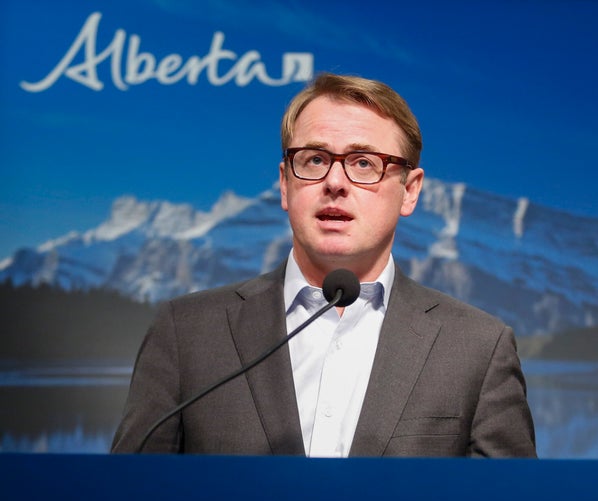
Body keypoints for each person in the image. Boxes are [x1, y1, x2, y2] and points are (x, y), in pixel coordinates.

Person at [111, 73, 536, 457]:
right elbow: (126, 495)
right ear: (284, 183)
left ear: (410, 191)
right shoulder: (186, 333)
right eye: (314, 160)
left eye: (364, 163)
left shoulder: (477, 348)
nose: (335, 182)